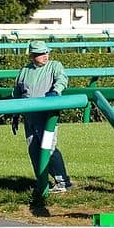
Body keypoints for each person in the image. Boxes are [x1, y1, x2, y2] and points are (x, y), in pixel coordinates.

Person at [13, 40, 73, 193]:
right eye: (41, 54)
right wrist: (15, 114)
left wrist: (56, 91)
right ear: (32, 56)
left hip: (47, 118)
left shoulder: (55, 66)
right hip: (29, 118)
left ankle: (63, 182)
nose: (45, 56)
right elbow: (18, 92)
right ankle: (42, 182)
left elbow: (62, 80)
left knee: (49, 148)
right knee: (34, 150)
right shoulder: (25, 70)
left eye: (46, 52)